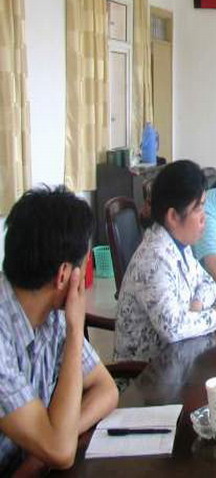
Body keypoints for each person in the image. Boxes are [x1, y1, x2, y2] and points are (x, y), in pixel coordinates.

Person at [0, 187, 118, 473]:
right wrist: (77, 330)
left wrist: (38, 457)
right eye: (84, 263)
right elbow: (62, 451)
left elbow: (106, 390)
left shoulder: (51, 314)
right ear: (64, 275)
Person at [114, 161, 216, 362]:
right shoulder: (154, 259)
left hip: (179, 356)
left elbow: (208, 282)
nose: (204, 217)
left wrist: (196, 305)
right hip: (147, 373)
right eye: (198, 208)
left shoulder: (180, 244)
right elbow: (173, 328)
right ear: (173, 216)